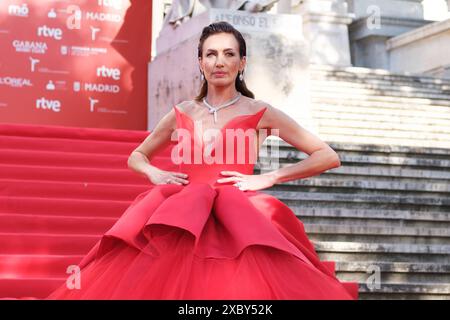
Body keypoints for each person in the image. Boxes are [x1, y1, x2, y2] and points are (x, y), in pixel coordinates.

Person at [45, 21, 356, 300]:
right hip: (181, 218)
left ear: (242, 62)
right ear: (200, 62)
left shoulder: (260, 111)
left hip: (239, 218)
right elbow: (137, 156)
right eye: (210, 54)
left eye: (228, 54)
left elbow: (327, 156)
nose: (219, 61)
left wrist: (269, 177)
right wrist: (154, 173)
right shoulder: (182, 111)